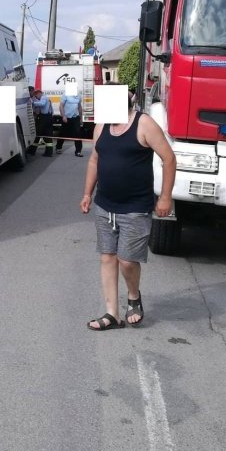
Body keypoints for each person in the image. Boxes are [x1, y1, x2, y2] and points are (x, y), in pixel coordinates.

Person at [79, 89, 175, 331]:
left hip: (135, 207)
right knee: (107, 257)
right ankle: (112, 314)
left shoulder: (143, 123)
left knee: (127, 261)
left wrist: (165, 198)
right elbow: (94, 160)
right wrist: (87, 194)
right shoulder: (101, 127)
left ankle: (133, 297)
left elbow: (169, 158)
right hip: (104, 204)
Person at [56, 92, 83, 157]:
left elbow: (79, 106)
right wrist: (63, 116)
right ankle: (58, 147)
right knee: (63, 133)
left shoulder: (78, 95)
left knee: (78, 133)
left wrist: (81, 118)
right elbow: (61, 106)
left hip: (75, 117)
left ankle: (78, 151)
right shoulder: (65, 95)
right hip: (66, 117)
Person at [31, 89, 54, 157]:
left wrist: (32, 102)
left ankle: (32, 150)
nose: (36, 96)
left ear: (40, 93)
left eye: (36, 94)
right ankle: (49, 152)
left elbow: (42, 104)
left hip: (44, 118)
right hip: (48, 118)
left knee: (38, 133)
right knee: (47, 135)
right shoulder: (45, 98)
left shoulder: (44, 97)